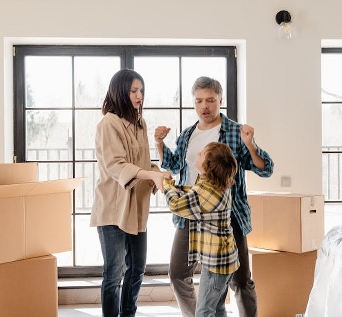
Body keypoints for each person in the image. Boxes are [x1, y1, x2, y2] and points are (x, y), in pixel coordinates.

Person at [155, 76, 274, 317]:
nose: (204, 106)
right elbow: (174, 164)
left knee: (240, 281)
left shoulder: (234, 132)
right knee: (178, 274)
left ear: (220, 100)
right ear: (194, 103)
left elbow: (265, 168)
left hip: (227, 219)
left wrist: (250, 145)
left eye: (210, 100)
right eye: (199, 100)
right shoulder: (188, 135)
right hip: (191, 213)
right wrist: (158, 142)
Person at [92, 68, 170, 317]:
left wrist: (159, 173)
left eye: (142, 91)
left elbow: (142, 162)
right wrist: (151, 175)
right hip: (113, 209)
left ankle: (129, 313)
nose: (140, 96)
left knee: (137, 268)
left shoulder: (140, 123)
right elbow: (117, 165)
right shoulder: (108, 124)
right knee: (113, 274)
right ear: (120, 92)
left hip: (136, 208)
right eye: (134, 90)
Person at [163, 142, 240, 317]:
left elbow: (176, 205)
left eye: (202, 153)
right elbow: (192, 193)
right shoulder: (214, 184)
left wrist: (166, 186)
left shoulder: (208, 192)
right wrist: (173, 185)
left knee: (204, 311)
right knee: (217, 308)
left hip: (217, 264)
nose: (198, 153)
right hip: (224, 260)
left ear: (208, 166)